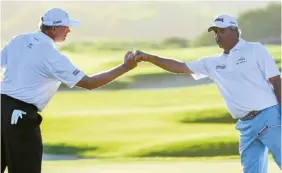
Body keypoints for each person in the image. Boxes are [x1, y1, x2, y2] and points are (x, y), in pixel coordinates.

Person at [134, 14, 281, 173]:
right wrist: (149, 58)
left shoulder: (254, 49)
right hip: (245, 125)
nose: (217, 35)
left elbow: (276, 80)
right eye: (215, 32)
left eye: (222, 31)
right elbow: (180, 67)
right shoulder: (212, 63)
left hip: (269, 117)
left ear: (234, 30)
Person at [0, 8, 137, 173]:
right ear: (54, 28)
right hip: (20, 116)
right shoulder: (52, 56)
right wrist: (125, 67)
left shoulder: (19, 39)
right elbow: (90, 82)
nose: (69, 30)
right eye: (66, 26)